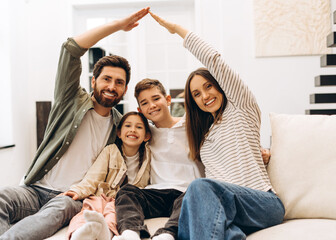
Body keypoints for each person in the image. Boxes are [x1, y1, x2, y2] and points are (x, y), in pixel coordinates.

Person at [0, 8, 149, 240]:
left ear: (125, 89)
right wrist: (118, 25)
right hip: (34, 189)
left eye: (119, 82)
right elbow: (70, 49)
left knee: (57, 210)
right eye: (106, 79)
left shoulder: (122, 127)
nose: (112, 86)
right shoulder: (70, 101)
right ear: (93, 81)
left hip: (72, 198)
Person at [149, 12, 285, 240]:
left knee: (200, 187)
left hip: (261, 202)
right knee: (214, 220)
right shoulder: (203, 136)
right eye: (196, 94)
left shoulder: (241, 108)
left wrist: (177, 29)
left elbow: (214, 60)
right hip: (228, 209)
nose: (205, 95)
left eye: (209, 86)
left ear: (221, 86)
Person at [113, 78, 205, 240]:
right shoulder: (146, 134)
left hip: (186, 193)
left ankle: (167, 234)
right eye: (145, 103)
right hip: (156, 192)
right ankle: (131, 233)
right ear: (140, 110)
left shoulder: (192, 126)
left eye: (156, 99)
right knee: (127, 192)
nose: (152, 106)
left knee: (191, 199)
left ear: (168, 100)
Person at [62, 111, 152, 240]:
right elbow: (93, 177)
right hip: (102, 196)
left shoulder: (148, 156)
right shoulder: (110, 151)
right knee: (88, 210)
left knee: (113, 214)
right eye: (128, 126)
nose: (133, 130)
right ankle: (79, 233)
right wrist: (77, 191)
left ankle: (107, 233)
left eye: (139, 127)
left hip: (126, 201)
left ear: (146, 136)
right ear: (119, 133)